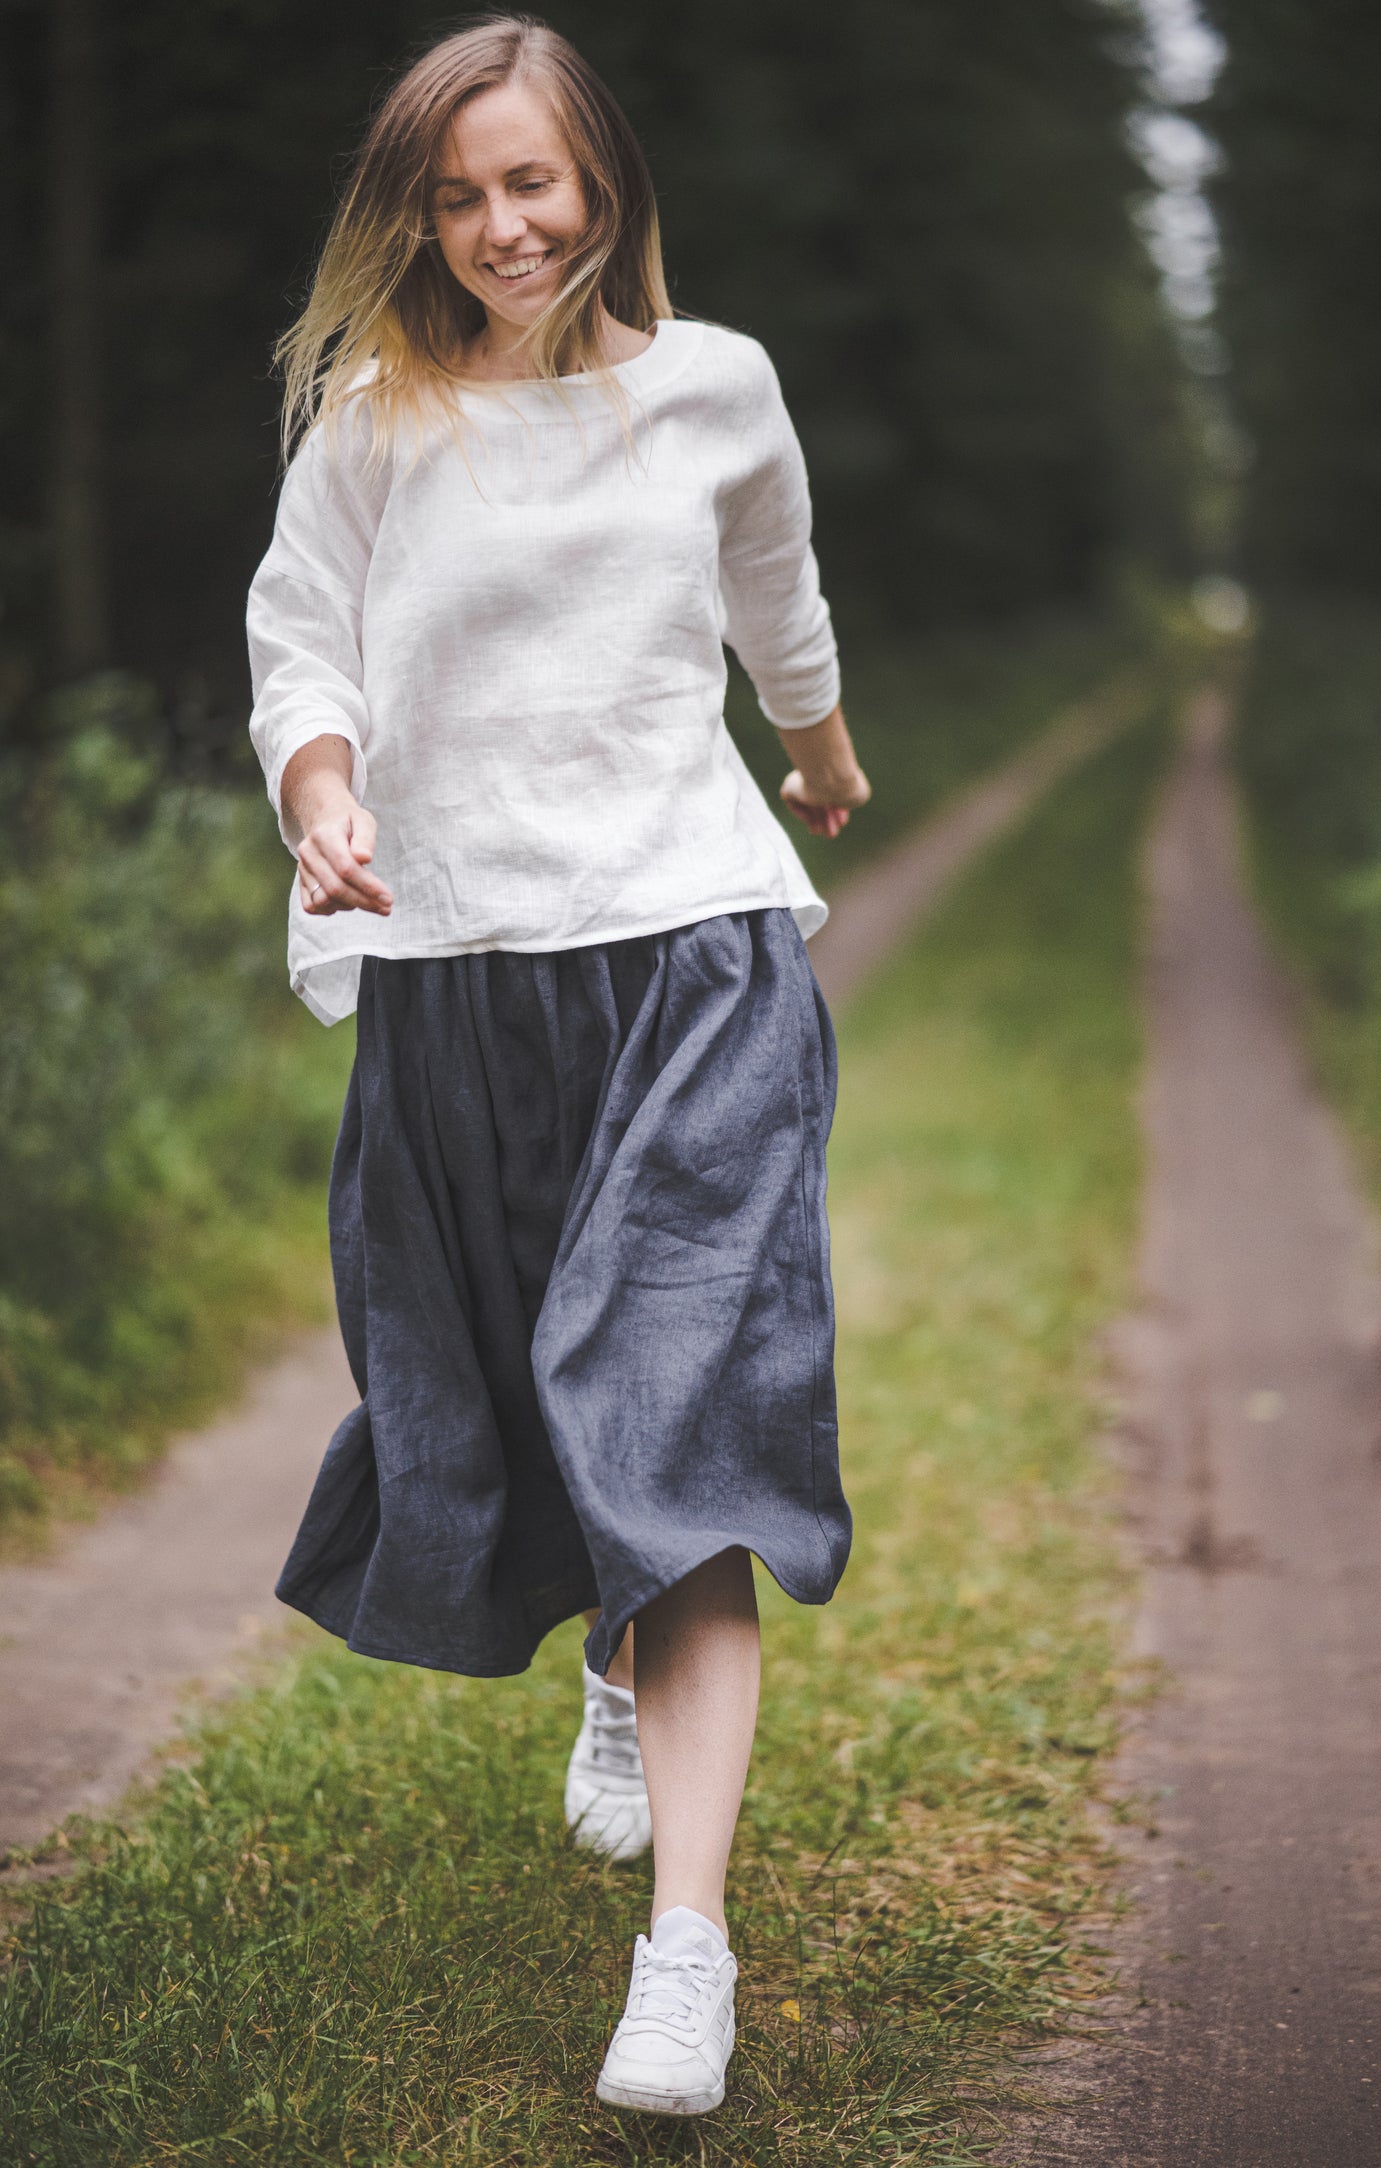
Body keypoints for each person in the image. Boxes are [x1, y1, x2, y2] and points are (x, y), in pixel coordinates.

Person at [246, 12, 870, 2120]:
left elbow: (774, 593)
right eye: (460, 191)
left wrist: (822, 752)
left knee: (679, 1411)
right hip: (466, 976)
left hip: (691, 953)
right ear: (418, 213)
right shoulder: (378, 415)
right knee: (537, 1386)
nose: (504, 224)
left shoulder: (716, 389)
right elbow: (299, 636)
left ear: (601, 178)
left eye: (534, 179)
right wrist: (323, 793)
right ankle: (612, 1657)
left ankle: (683, 1948)